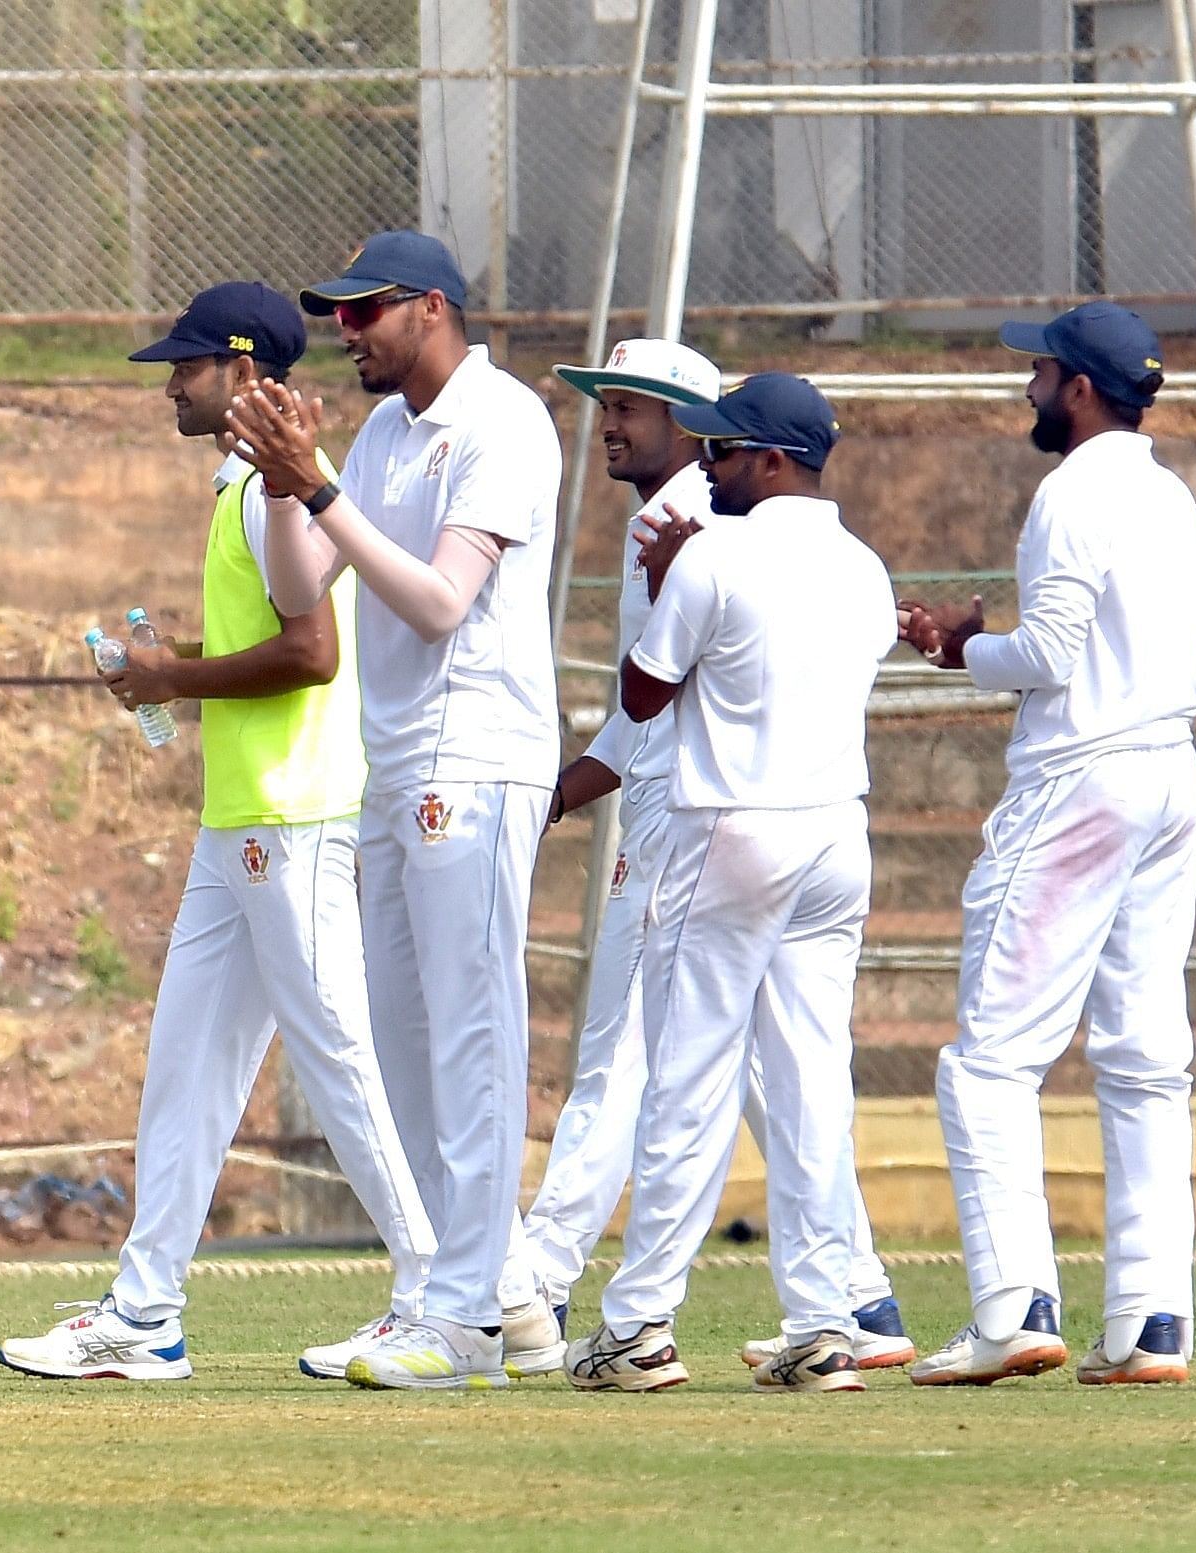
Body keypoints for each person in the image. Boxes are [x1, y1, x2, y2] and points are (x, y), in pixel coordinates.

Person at [0, 282, 433, 1384]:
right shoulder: (242, 489)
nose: (171, 381)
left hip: (289, 819)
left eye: (187, 365)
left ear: (245, 374)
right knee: (184, 1072)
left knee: (337, 1060)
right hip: (239, 823)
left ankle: (447, 1294)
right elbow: (277, 643)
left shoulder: (263, 494)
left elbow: (311, 651)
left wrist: (170, 675)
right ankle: (145, 1312)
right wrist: (166, 670)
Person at [521, 341, 912, 1374]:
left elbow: (644, 698)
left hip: (732, 826)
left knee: (687, 1082)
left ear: (775, 462)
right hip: (838, 834)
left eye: (731, 452)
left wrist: (663, 581)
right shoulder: (865, 566)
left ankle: (640, 1322)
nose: (717, 466)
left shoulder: (710, 551)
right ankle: (825, 1318)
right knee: (810, 1079)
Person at [227, 231, 563, 1388]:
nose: (347, 331)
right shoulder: (377, 432)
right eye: (338, 313)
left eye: (367, 311)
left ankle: (465, 1321)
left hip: (474, 755)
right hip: (399, 760)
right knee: (407, 1044)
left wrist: (316, 485)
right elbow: (296, 588)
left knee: (471, 1036)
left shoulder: (503, 420)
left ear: (432, 307)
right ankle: (488, 1297)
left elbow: (435, 602)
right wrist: (283, 485)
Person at [900, 303, 1196, 1387]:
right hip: (1169, 772)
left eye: (1038, 372)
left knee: (987, 1057)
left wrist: (960, 644)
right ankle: (1149, 1320)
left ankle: (1013, 1304)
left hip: (1083, 778)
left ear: (1078, 386)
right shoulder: (1169, 492)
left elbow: (1052, 655)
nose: (1027, 388)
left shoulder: (1073, 491)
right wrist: (981, 645)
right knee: (1141, 1056)